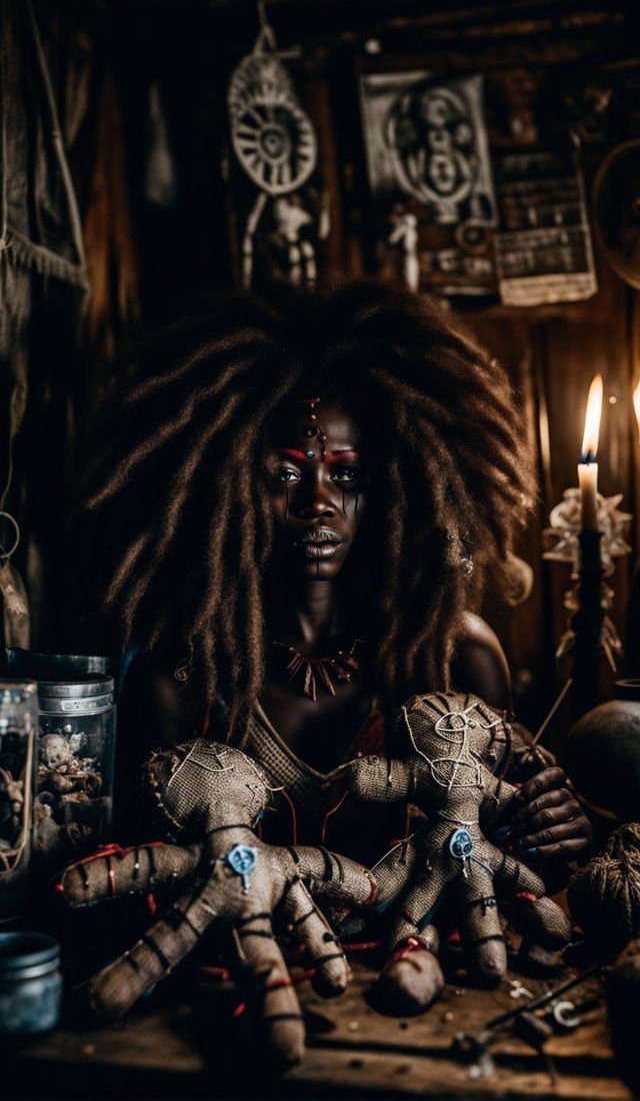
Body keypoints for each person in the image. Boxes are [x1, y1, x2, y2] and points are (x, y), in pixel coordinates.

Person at [83, 280, 589, 1019]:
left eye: (345, 476)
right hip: (239, 1015)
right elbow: (147, 886)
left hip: (431, 1014)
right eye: (284, 473)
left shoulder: (457, 663)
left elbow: (500, 862)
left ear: (393, 488)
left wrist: (550, 831)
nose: (316, 503)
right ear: (221, 481)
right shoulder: (180, 678)